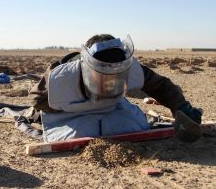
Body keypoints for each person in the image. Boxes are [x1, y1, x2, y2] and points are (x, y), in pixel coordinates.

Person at [26, 34, 202, 143]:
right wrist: (76, 106)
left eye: (116, 74)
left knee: (133, 125)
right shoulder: (61, 77)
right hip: (72, 112)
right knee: (84, 132)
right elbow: (37, 100)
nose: (110, 80)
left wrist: (181, 107)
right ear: (86, 68)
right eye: (103, 74)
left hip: (111, 107)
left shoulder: (131, 68)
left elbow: (161, 86)